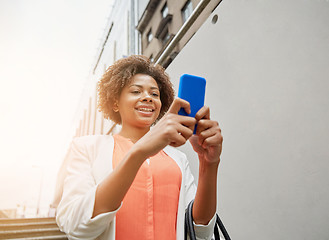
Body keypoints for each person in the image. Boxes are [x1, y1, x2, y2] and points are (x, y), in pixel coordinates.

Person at [56, 55, 223, 240]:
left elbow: (199, 231)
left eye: (154, 94)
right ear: (114, 102)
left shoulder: (178, 159)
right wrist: (140, 151)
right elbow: (75, 225)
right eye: (136, 91)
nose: (147, 98)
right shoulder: (86, 147)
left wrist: (209, 163)